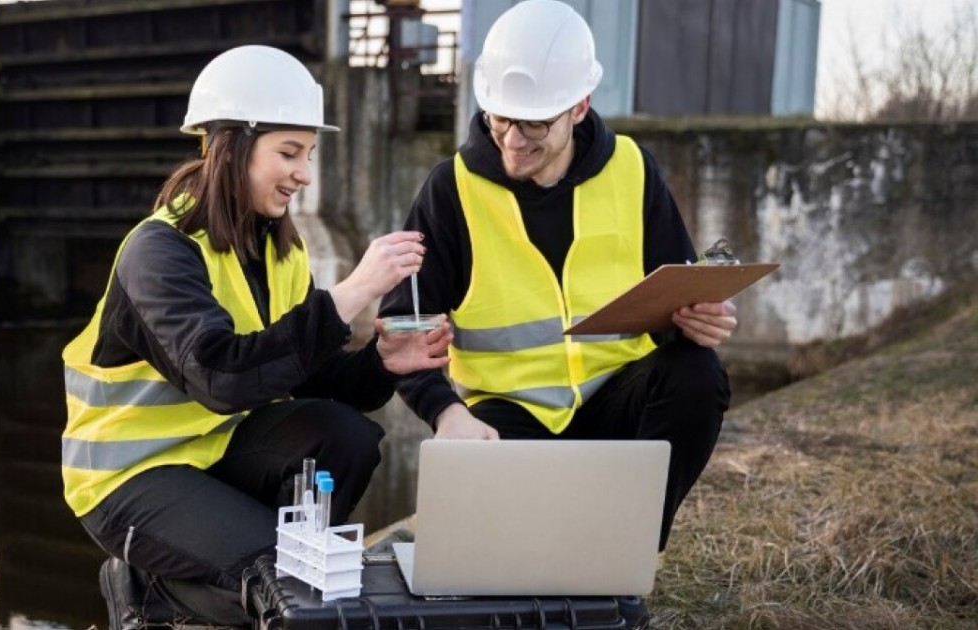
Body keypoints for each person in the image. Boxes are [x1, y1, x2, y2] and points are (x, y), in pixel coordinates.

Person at [61, 45, 452, 630]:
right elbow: (222, 377)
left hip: (214, 453)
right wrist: (351, 293)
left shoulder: (278, 251)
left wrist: (380, 363)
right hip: (128, 479)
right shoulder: (159, 251)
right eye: (289, 152)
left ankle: (246, 581)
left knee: (346, 436)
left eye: (309, 154)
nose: (304, 173)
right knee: (285, 583)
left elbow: (305, 373)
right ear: (232, 146)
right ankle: (148, 591)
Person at [379, 1, 734, 625]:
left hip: (616, 398)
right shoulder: (451, 188)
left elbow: (680, 291)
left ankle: (620, 559)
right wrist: (447, 413)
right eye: (502, 120)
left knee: (698, 373)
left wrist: (703, 317)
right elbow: (404, 326)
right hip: (506, 419)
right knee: (500, 572)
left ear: (579, 107)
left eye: (536, 123)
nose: (514, 140)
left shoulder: (632, 171)